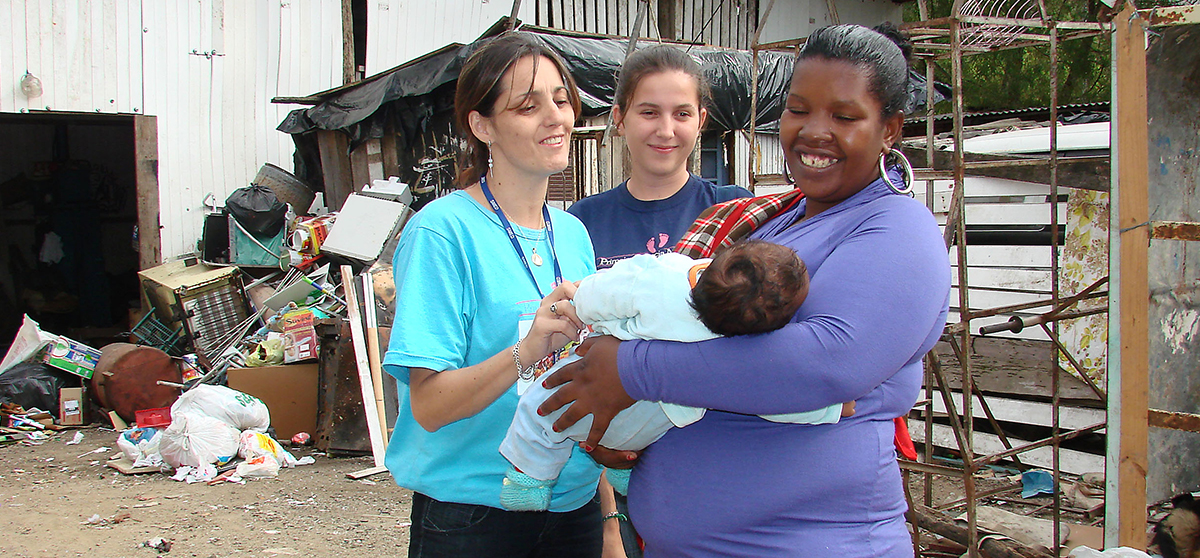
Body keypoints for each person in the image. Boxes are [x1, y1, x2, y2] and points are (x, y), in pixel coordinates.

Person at [539, 23, 952, 557]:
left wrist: (630, 371)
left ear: (890, 128)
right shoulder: (769, 222)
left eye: (844, 117)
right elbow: (700, 333)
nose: (814, 132)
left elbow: (826, 364)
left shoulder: (896, 229)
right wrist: (634, 421)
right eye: (799, 110)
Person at [381, 32, 604, 558]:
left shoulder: (572, 233)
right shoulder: (443, 232)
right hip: (474, 519)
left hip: (574, 508)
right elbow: (429, 406)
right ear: (482, 127)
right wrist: (525, 353)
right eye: (528, 106)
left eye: (560, 99)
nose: (556, 117)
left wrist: (609, 516)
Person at [498, 241, 854, 511]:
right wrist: (829, 409)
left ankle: (530, 482)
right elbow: (770, 398)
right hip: (651, 422)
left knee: (539, 411)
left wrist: (579, 305)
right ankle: (624, 471)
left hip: (587, 385)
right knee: (637, 438)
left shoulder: (659, 278)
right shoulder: (738, 352)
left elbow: (603, 293)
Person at [567, 43, 751, 558]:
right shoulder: (581, 222)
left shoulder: (734, 210)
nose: (665, 130)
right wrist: (606, 520)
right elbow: (571, 357)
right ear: (620, 119)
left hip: (714, 458)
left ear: (702, 121)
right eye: (648, 112)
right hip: (614, 460)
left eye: (682, 113)